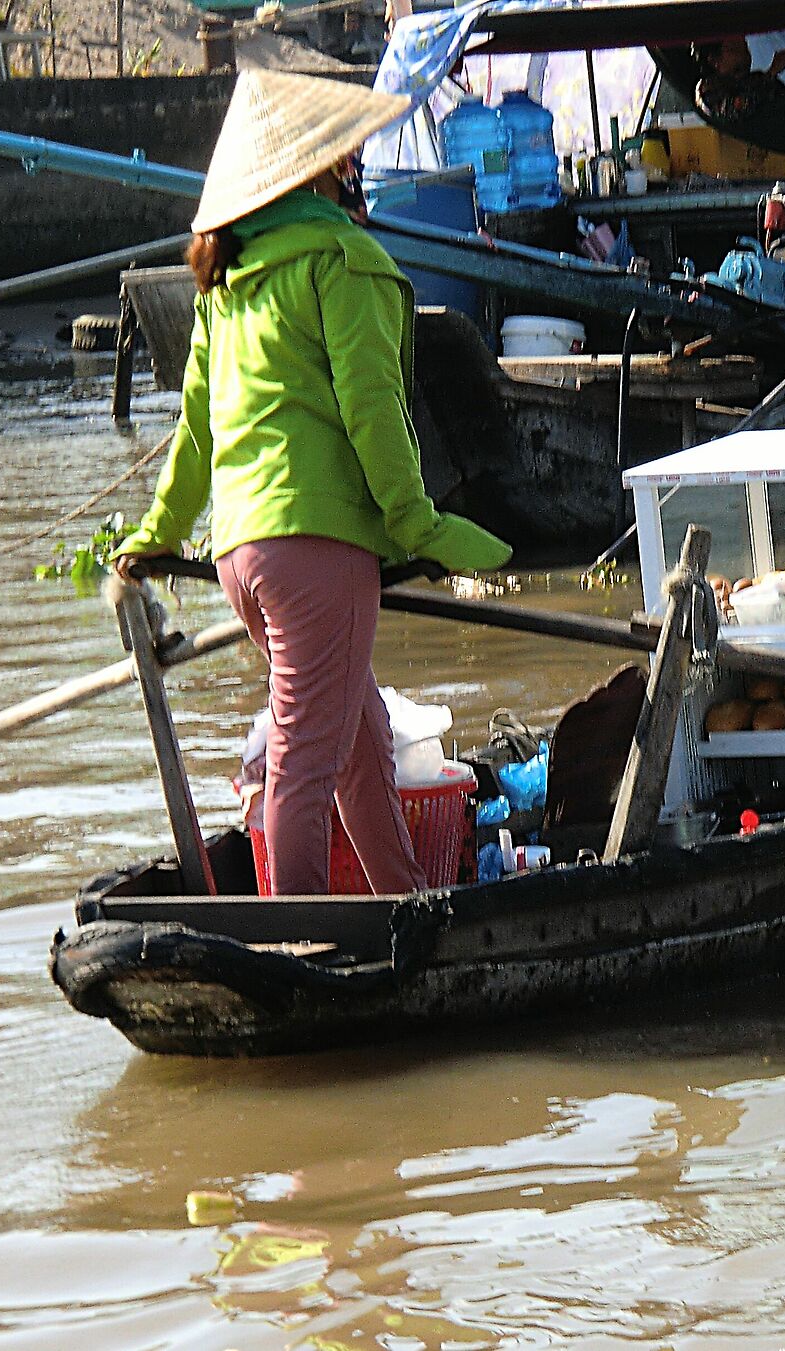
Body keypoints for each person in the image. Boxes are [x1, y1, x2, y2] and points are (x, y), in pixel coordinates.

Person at [115, 70, 511, 896]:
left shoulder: (225, 286)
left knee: (358, 746)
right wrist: (417, 521)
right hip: (317, 553)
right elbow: (374, 410)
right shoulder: (341, 259)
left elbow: (197, 434)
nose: (356, 169)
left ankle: (408, 899)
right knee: (305, 760)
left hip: (242, 556)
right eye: (348, 158)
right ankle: (292, 932)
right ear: (320, 172)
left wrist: (160, 532)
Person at [693, 37, 785, 121]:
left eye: (744, 46)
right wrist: (772, 72)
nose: (745, 52)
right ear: (714, 61)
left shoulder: (746, 79)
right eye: (735, 48)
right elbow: (740, 107)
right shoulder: (709, 94)